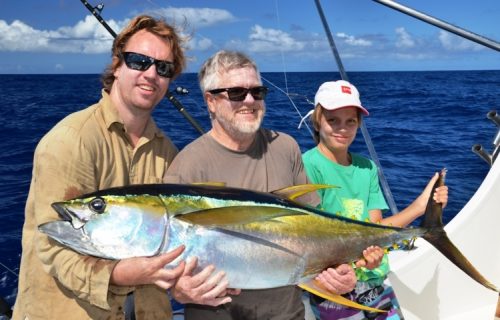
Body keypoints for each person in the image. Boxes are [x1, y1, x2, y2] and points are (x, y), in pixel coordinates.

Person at [163, 50, 383, 320]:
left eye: (257, 92)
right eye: (236, 93)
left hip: (286, 312)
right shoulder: (187, 165)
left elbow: (314, 231)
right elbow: (166, 257)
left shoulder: (285, 146)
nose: (249, 101)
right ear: (210, 101)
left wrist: (337, 271)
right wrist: (179, 289)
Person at [13, 15, 192, 319]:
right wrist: (120, 274)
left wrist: (184, 280)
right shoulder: (71, 140)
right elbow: (51, 246)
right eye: (139, 61)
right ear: (117, 65)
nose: (151, 74)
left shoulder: (168, 153)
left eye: (163, 68)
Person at [301, 80, 449, 320]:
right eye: (333, 120)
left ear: (359, 123)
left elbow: (375, 230)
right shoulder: (307, 165)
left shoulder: (366, 167)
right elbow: (311, 241)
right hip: (334, 288)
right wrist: (358, 262)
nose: (343, 128)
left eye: (351, 121)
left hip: (375, 280)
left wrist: (421, 206)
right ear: (318, 120)